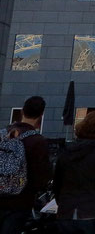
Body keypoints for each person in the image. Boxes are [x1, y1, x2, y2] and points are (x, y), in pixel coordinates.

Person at [0, 95, 51, 234]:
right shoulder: (37, 141)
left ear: (22, 112)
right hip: (20, 201)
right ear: (41, 115)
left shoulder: (4, 134)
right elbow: (41, 178)